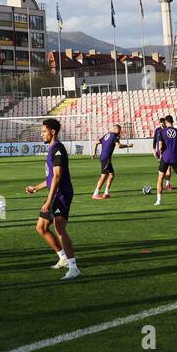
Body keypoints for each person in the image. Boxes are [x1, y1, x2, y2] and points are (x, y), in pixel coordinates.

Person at [25, 118, 80, 279]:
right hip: (54, 194)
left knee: (59, 228)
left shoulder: (58, 149)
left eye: (43, 131)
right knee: (41, 227)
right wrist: (36, 187)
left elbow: (57, 176)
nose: (41, 134)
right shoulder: (52, 149)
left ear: (53, 132)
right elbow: (50, 178)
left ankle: (73, 268)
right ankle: (62, 257)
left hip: (61, 195)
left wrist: (49, 202)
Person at [90, 124, 123, 199]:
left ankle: (106, 193)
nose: (120, 132)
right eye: (119, 130)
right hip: (106, 158)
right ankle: (95, 194)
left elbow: (96, 142)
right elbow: (119, 146)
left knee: (111, 175)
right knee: (104, 176)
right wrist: (128, 146)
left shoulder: (107, 135)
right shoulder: (115, 135)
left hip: (105, 158)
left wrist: (94, 153)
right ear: (116, 129)